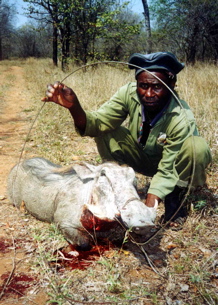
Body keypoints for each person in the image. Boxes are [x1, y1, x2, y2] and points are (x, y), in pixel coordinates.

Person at [42, 52, 212, 226]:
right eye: (143, 85)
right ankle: (117, 185)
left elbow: (167, 170)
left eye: (157, 87)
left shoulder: (181, 116)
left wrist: (145, 212)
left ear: (172, 84)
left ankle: (175, 197)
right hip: (142, 157)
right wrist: (74, 107)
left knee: (195, 147)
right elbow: (98, 123)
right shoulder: (128, 93)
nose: (148, 93)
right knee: (106, 130)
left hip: (173, 166)